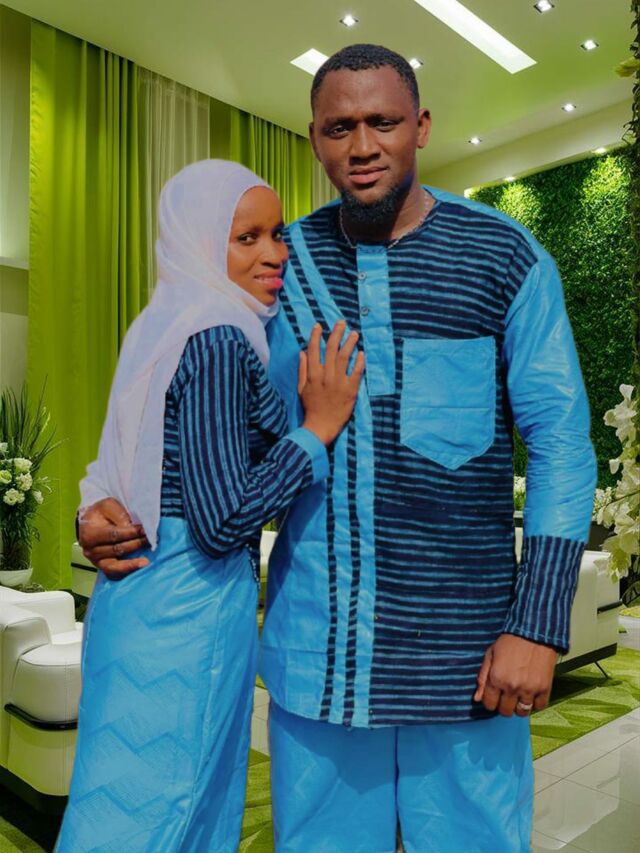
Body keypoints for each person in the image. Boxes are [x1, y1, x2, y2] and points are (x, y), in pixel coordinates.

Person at [81, 45, 596, 852]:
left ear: (421, 126)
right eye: (339, 127)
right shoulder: (276, 267)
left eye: (383, 122)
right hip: (319, 659)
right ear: (314, 139)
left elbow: (562, 441)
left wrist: (537, 623)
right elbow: (173, 385)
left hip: (467, 658)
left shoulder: (506, 256)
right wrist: (101, 495)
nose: (362, 146)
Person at [56, 159, 364, 853]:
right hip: (185, 608)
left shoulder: (163, 323)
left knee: (122, 803)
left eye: (277, 234)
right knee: (167, 810)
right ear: (197, 241)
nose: (274, 253)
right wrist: (317, 429)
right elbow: (223, 521)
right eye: (246, 237)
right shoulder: (220, 335)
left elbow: (124, 465)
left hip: (136, 600)